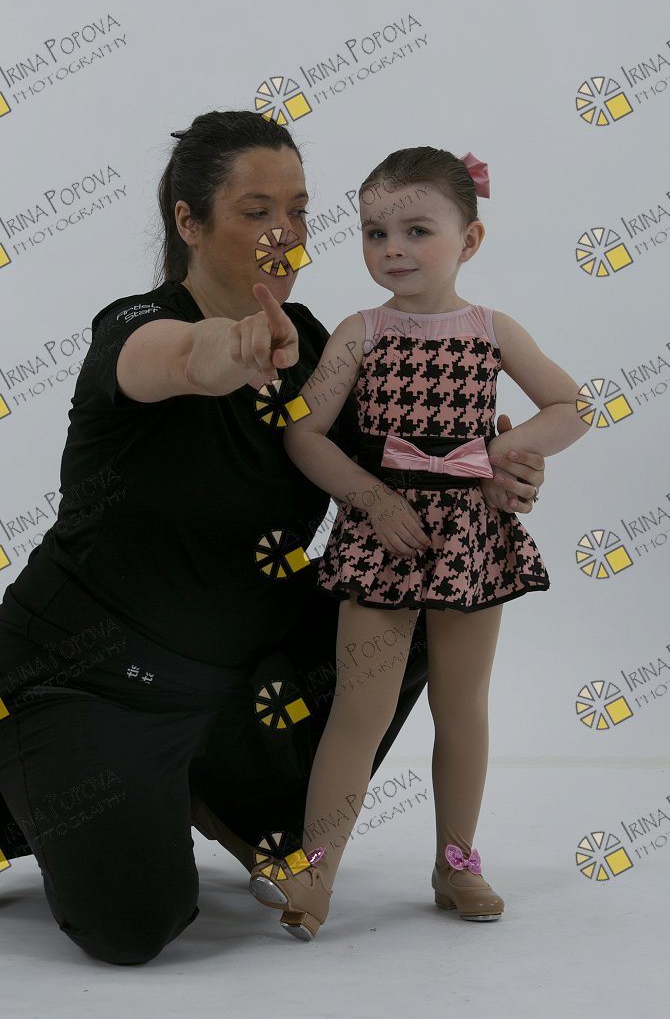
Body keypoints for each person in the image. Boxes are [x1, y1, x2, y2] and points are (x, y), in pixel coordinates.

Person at [0, 114, 546, 965]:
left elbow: (406, 474)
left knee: (428, 586)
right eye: (257, 212)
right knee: (133, 924)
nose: (285, 233)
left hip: (234, 682)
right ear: (189, 222)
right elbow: (185, 359)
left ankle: (227, 795)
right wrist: (232, 348)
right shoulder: (137, 325)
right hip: (89, 679)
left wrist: (495, 474)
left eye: (297, 210)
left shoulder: (321, 345)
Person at [249, 146, 589, 940]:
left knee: (461, 706)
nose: (392, 249)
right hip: (384, 538)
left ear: (469, 240)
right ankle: (316, 867)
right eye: (375, 233)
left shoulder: (491, 329)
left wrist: (498, 454)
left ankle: (456, 861)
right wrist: (369, 497)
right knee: (358, 709)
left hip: (472, 539)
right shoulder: (360, 332)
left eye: (416, 231)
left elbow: (571, 406)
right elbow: (304, 433)